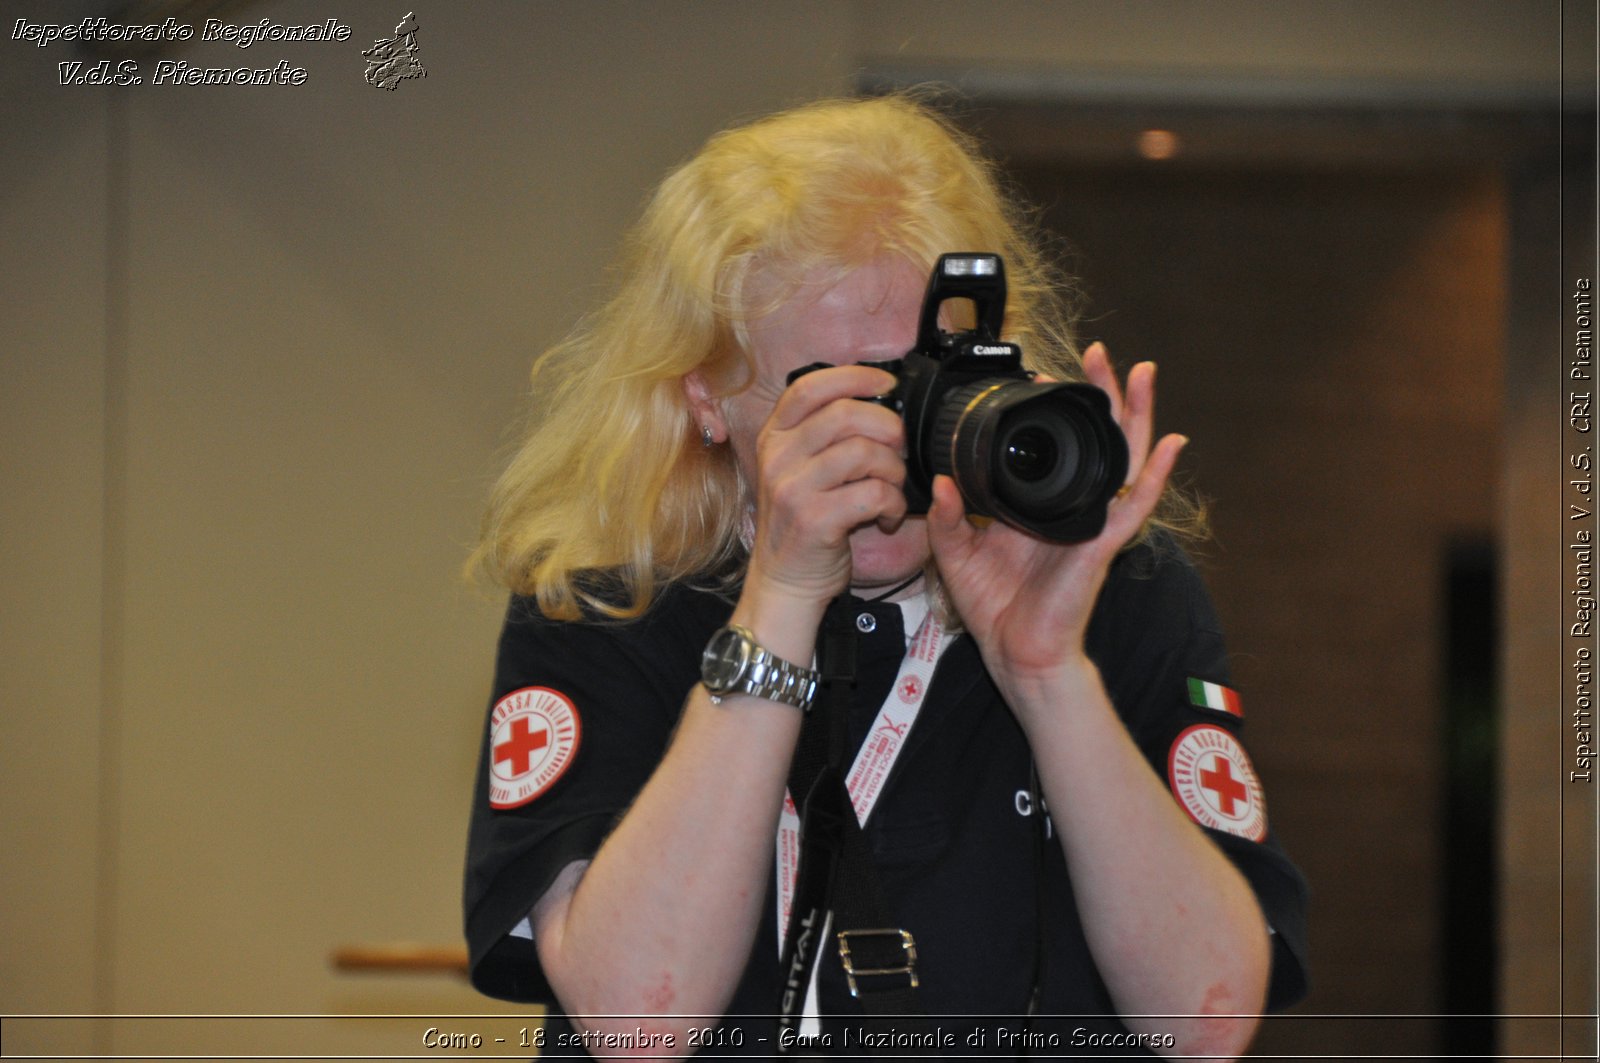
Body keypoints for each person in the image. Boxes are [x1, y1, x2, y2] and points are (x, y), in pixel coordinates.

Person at [463, 94, 1308, 1059]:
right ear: (705, 394)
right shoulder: (611, 602)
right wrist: (779, 601)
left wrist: (1048, 674)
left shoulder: (1113, 583)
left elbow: (1205, 1022)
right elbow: (637, 1020)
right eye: (831, 394)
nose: (886, 439)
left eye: (917, 379)